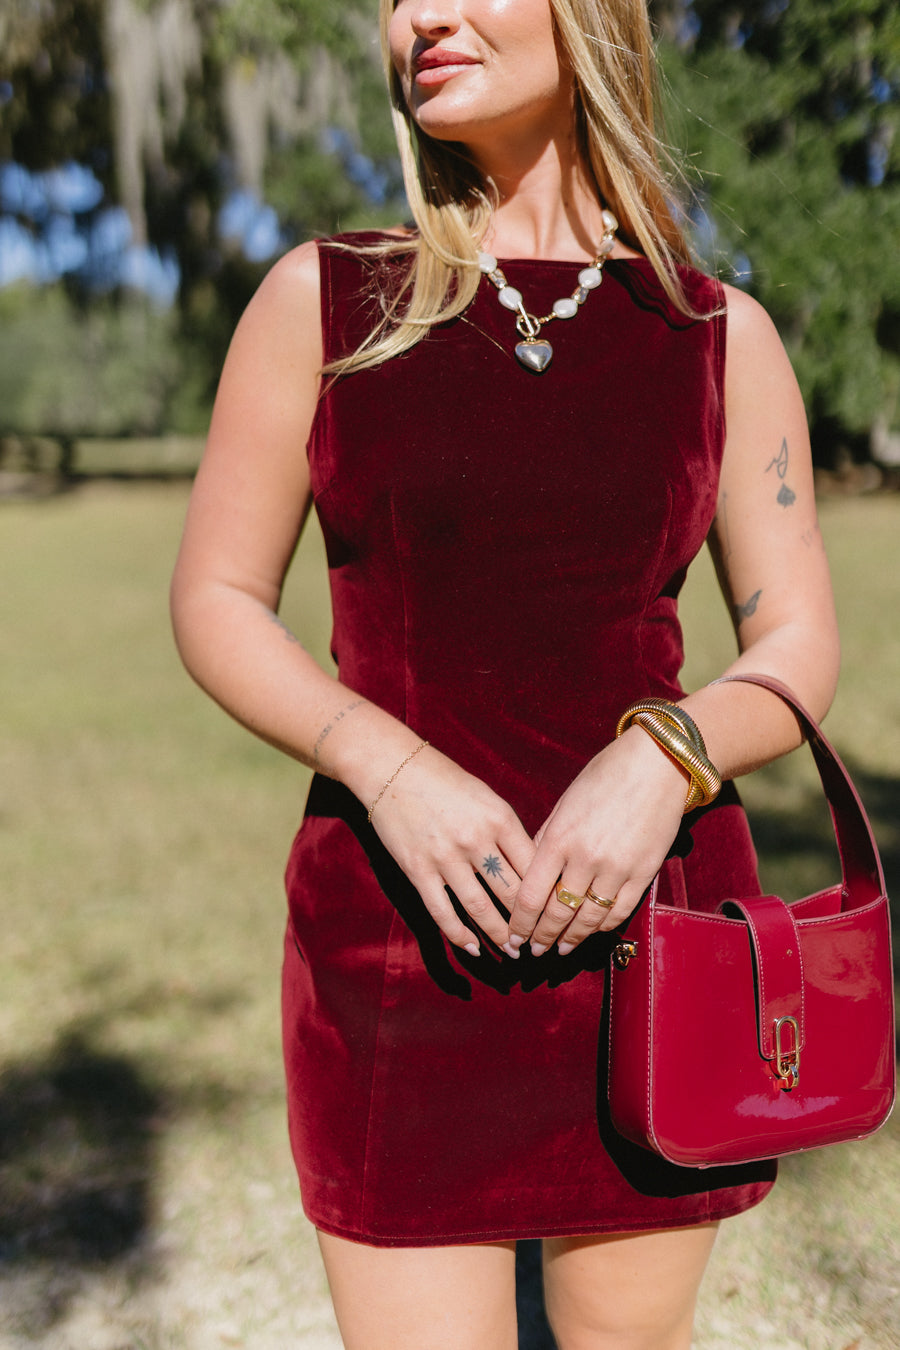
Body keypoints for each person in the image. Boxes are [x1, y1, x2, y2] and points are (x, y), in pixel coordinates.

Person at [170, 1, 840, 1346]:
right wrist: (388, 767)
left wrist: (664, 760)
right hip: (399, 949)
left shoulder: (721, 333)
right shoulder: (325, 301)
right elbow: (217, 599)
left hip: (655, 946)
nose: (420, 17)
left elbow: (799, 644)